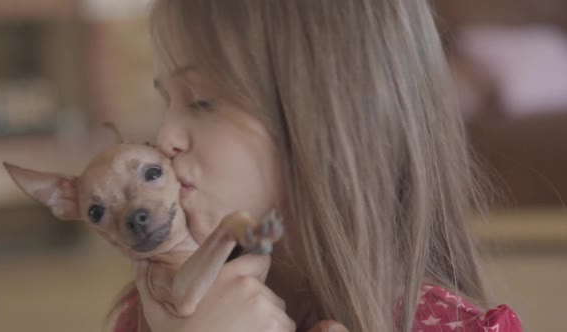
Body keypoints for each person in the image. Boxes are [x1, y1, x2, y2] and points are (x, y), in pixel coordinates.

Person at [113, 1, 523, 331]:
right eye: (166, 100)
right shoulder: (154, 311)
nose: (165, 136)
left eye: (201, 100)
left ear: (331, 119)